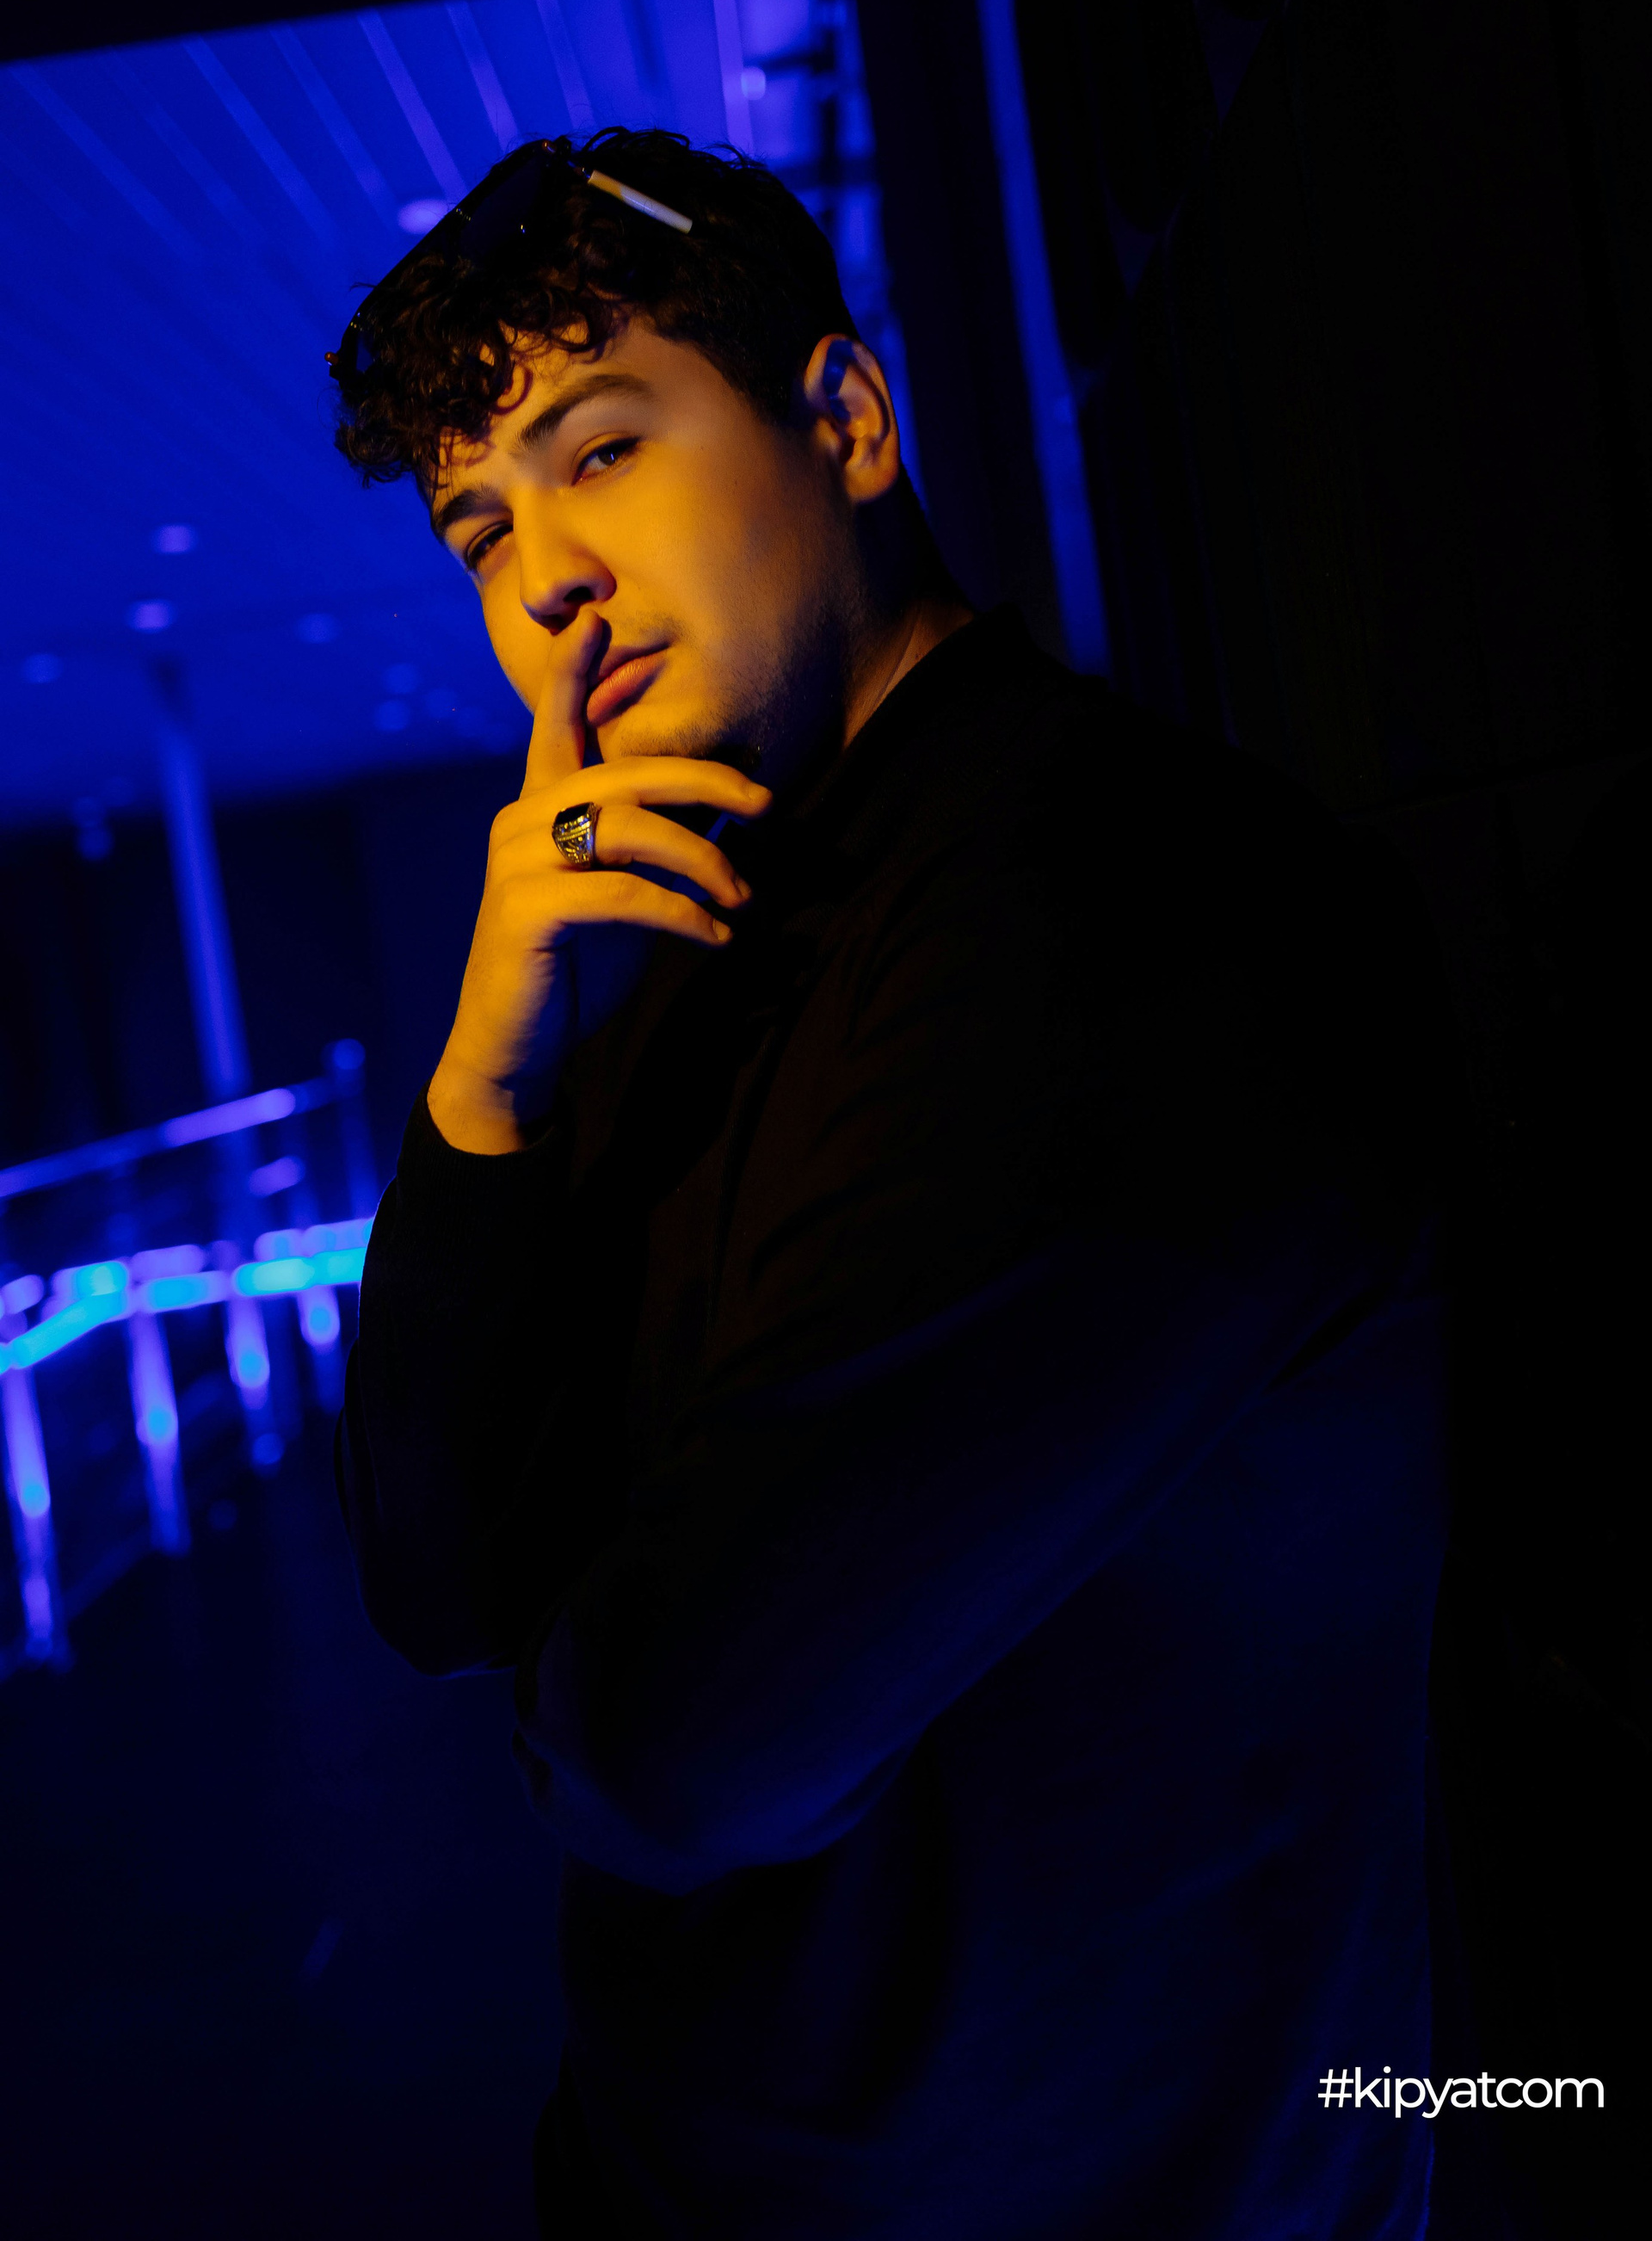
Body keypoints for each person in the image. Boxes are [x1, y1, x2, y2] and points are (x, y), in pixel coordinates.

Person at [329, 127, 1456, 2238]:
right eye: (481, 529)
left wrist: (598, 1613)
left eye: (602, 450)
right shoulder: (678, 930)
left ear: (847, 421)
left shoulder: (1145, 906)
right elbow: (437, 1589)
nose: (541, 578)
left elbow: (675, 1749)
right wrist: (488, 1088)